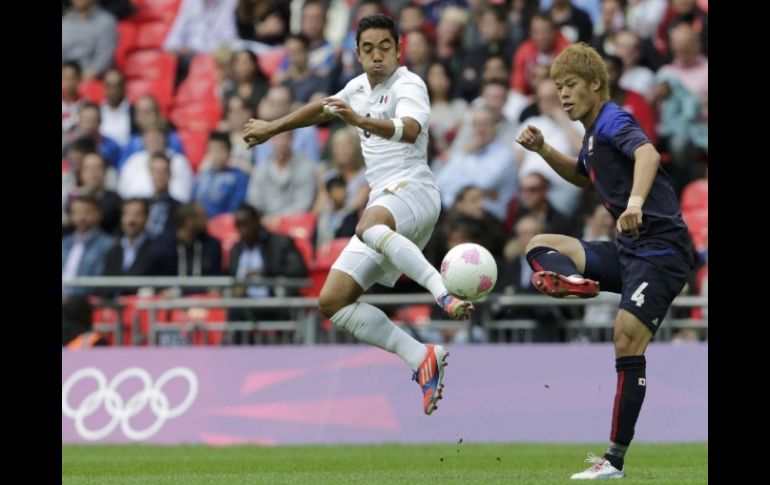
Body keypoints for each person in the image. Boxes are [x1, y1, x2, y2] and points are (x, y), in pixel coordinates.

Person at [243, 14, 474, 416]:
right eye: (367, 49)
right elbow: (322, 108)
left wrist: (361, 121)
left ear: (398, 48)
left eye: (384, 46)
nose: (377, 55)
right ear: (357, 52)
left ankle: (443, 291)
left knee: (367, 225)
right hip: (384, 201)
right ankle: (421, 356)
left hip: (414, 189)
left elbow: (411, 127)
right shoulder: (357, 88)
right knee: (333, 301)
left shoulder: (409, 83)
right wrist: (272, 128)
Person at [516, 43, 696, 480]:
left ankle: (613, 460)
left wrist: (635, 201)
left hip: (660, 250)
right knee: (540, 246)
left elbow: (648, 154)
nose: (563, 94)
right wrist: (542, 151)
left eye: (571, 85)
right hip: (630, 250)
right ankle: (576, 283)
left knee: (625, 339)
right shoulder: (594, 134)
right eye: (558, 87)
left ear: (596, 84)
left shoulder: (614, 119)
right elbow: (581, 176)